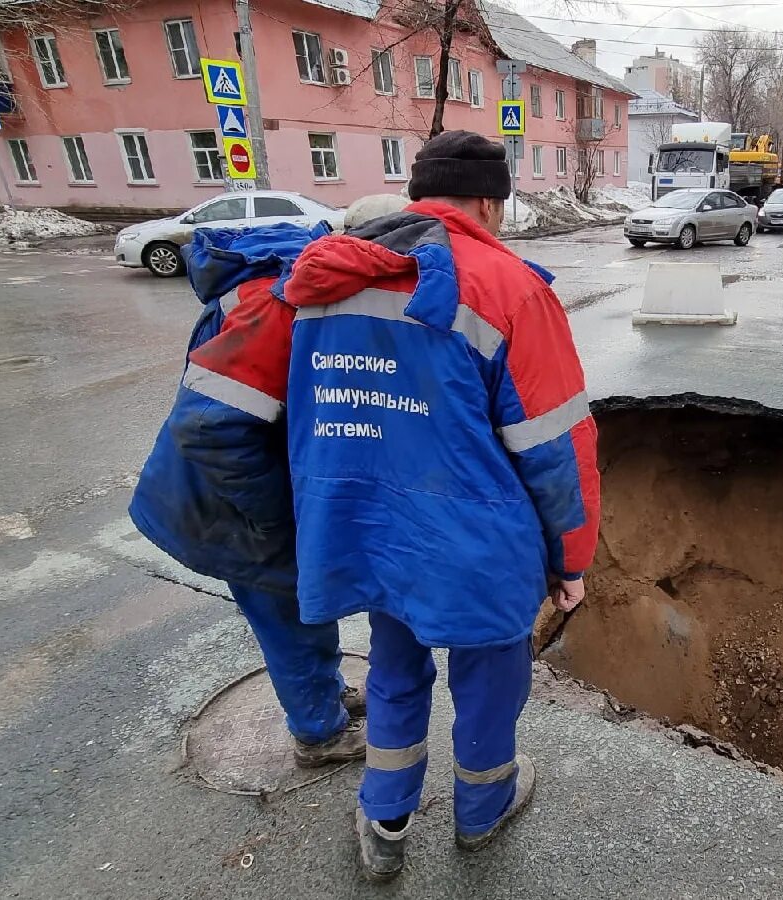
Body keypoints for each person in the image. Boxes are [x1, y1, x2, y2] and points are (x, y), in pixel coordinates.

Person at [179, 132, 601, 881]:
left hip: (369, 533)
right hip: (477, 542)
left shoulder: (324, 281)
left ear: (419, 196)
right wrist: (571, 560)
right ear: (490, 204)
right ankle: (482, 809)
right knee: (488, 682)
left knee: (395, 676)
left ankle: (385, 821)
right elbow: (554, 446)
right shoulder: (508, 286)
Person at [127, 220, 367, 768]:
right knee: (286, 611)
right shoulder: (281, 308)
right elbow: (208, 426)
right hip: (228, 504)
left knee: (301, 604)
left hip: (226, 490)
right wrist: (277, 515)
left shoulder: (275, 289)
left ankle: (324, 697)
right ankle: (319, 733)